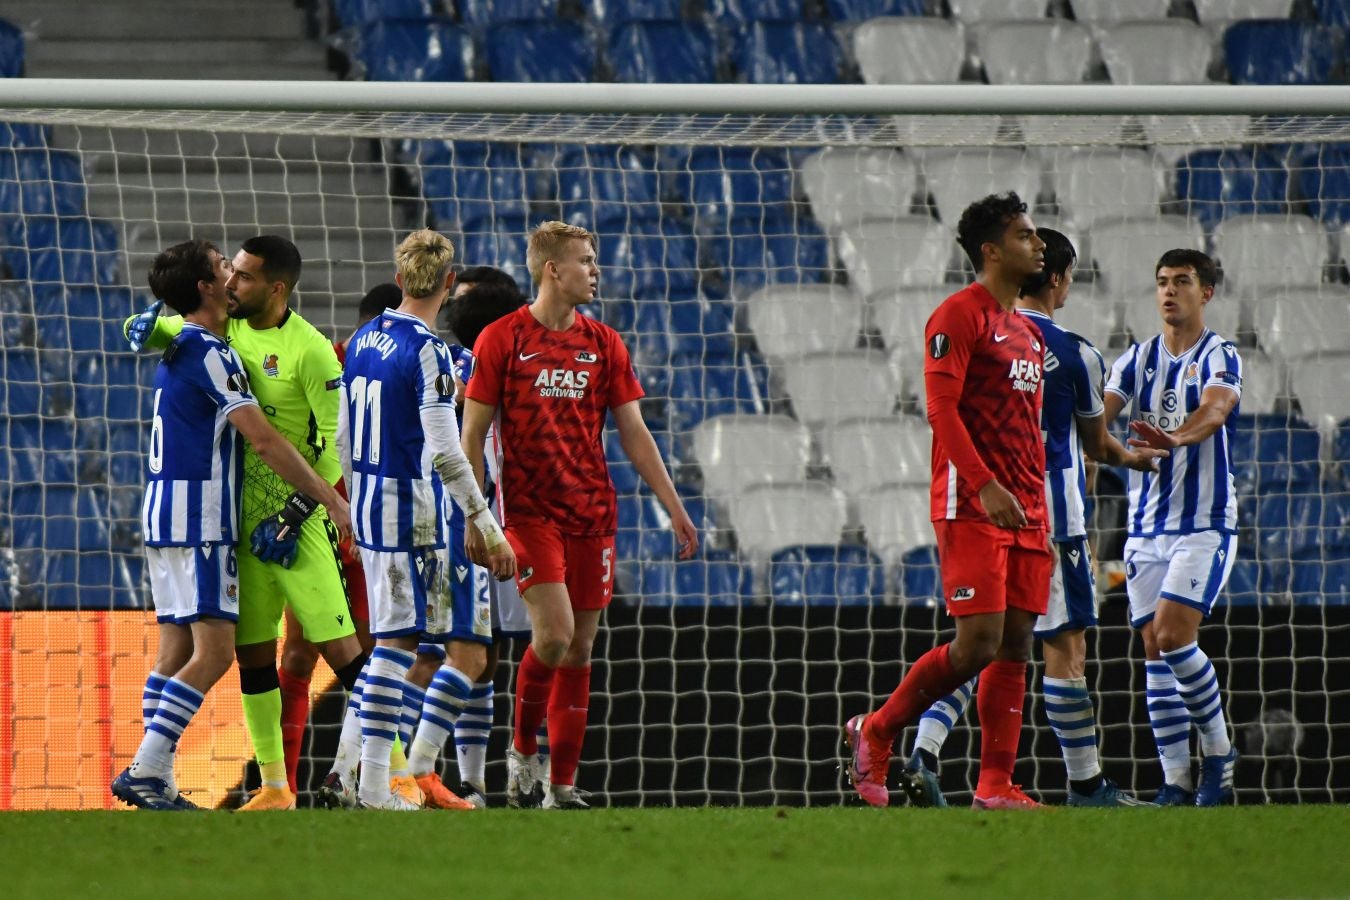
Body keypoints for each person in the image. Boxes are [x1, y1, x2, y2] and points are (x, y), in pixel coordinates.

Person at [897, 229, 1164, 808]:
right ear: (1061, 279)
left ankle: (926, 745)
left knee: (979, 644)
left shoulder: (988, 333)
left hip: (978, 508)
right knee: (1063, 650)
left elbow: (945, 412)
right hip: (1048, 516)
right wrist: (1132, 461)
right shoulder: (1075, 353)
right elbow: (1095, 447)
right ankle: (1086, 784)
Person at [123, 236, 370, 810]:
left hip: (168, 515)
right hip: (208, 519)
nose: (231, 280)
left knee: (176, 652)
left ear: (276, 287)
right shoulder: (213, 348)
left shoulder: (285, 346)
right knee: (217, 654)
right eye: (223, 271)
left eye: (240, 273)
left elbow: (334, 437)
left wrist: (151, 325)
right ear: (208, 287)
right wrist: (334, 503)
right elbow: (261, 438)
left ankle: (156, 772)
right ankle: (149, 768)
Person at [460, 221, 698, 810]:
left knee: (581, 650)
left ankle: (561, 785)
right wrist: (476, 516)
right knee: (555, 635)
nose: (595, 271)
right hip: (529, 512)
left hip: (593, 512)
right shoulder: (502, 338)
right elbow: (472, 435)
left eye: (594, 260)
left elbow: (635, 433)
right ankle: (520, 752)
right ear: (552, 270)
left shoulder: (606, 343)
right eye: (586, 261)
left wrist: (675, 508)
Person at [844, 192, 1051, 810]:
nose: (1037, 244)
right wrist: (986, 484)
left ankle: (995, 785)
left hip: (1028, 509)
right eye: (1024, 235)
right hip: (972, 502)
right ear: (991, 251)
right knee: (978, 644)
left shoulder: (1028, 334)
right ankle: (876, 731)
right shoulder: (958, 316)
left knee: (1016, 645)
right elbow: (941, 409)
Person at [331, 228, 515, 810]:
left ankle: (367, 779)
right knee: (399, 646)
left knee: (396, 644)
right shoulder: (430, 350)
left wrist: (354, 508)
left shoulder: (363, 338)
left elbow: (341, 436)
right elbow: (445, 449)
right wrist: (485, 525)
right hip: (412, 511)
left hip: (370, 504)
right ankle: (378, 784)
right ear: (447, 279)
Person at [1105, 249, 1242, 807]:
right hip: (1144, 529)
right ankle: (1176, 783)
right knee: (1152, 652)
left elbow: (1216, 409)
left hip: (1204, 525)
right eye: (1161, 282)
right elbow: (1099, 415)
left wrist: (1177, 438)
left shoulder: (1220, 353)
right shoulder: (1135, 360)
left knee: (1172, 635)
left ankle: (1220, 755)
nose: (1168, 291)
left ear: (1205, 291)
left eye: (1181, 281)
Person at [395, 278, 533, 810]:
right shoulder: (479, 367)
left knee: (482, 655)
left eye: (464, 295)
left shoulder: (450, 360)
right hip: (473, 522)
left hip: (470, 519)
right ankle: (404, 770)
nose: (452, 303)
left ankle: (469, 780)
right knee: (451, 653)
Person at [273, 282, 401, 795]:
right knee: (300, 653)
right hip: (320, 524)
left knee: (370, 656)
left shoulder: (413, 368)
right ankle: (279, 784)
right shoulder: (324, 361)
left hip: (371, 531)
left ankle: (348, 776)